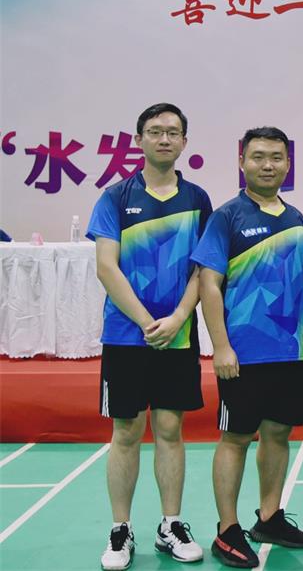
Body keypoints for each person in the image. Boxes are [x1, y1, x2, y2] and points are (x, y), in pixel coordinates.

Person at [87, 103, 211, 570]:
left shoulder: (197, 199)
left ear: (184, 142)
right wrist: (145, 322)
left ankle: (170, 525)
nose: (164, 139)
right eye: (155, 131)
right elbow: (106, 266)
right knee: (125, 430)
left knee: (170, 429)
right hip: (126, 336)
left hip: (177, 335)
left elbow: (204, 268)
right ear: (138, 140)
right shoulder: (115, 198)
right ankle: (120, 529)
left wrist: (179, 316)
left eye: (173, 132)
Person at [193, 127, 303, 568]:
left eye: (277, 157)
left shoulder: (296, 217)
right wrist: (221, 347)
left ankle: (269, 518)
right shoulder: (227, 217)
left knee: (279, 433)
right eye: (259, 156)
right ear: (242, 161)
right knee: (236, 437)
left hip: (290, 351)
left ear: (288, 163)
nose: (268, 165)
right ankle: (227, 530)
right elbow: (209, 284)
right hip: (243, 354)